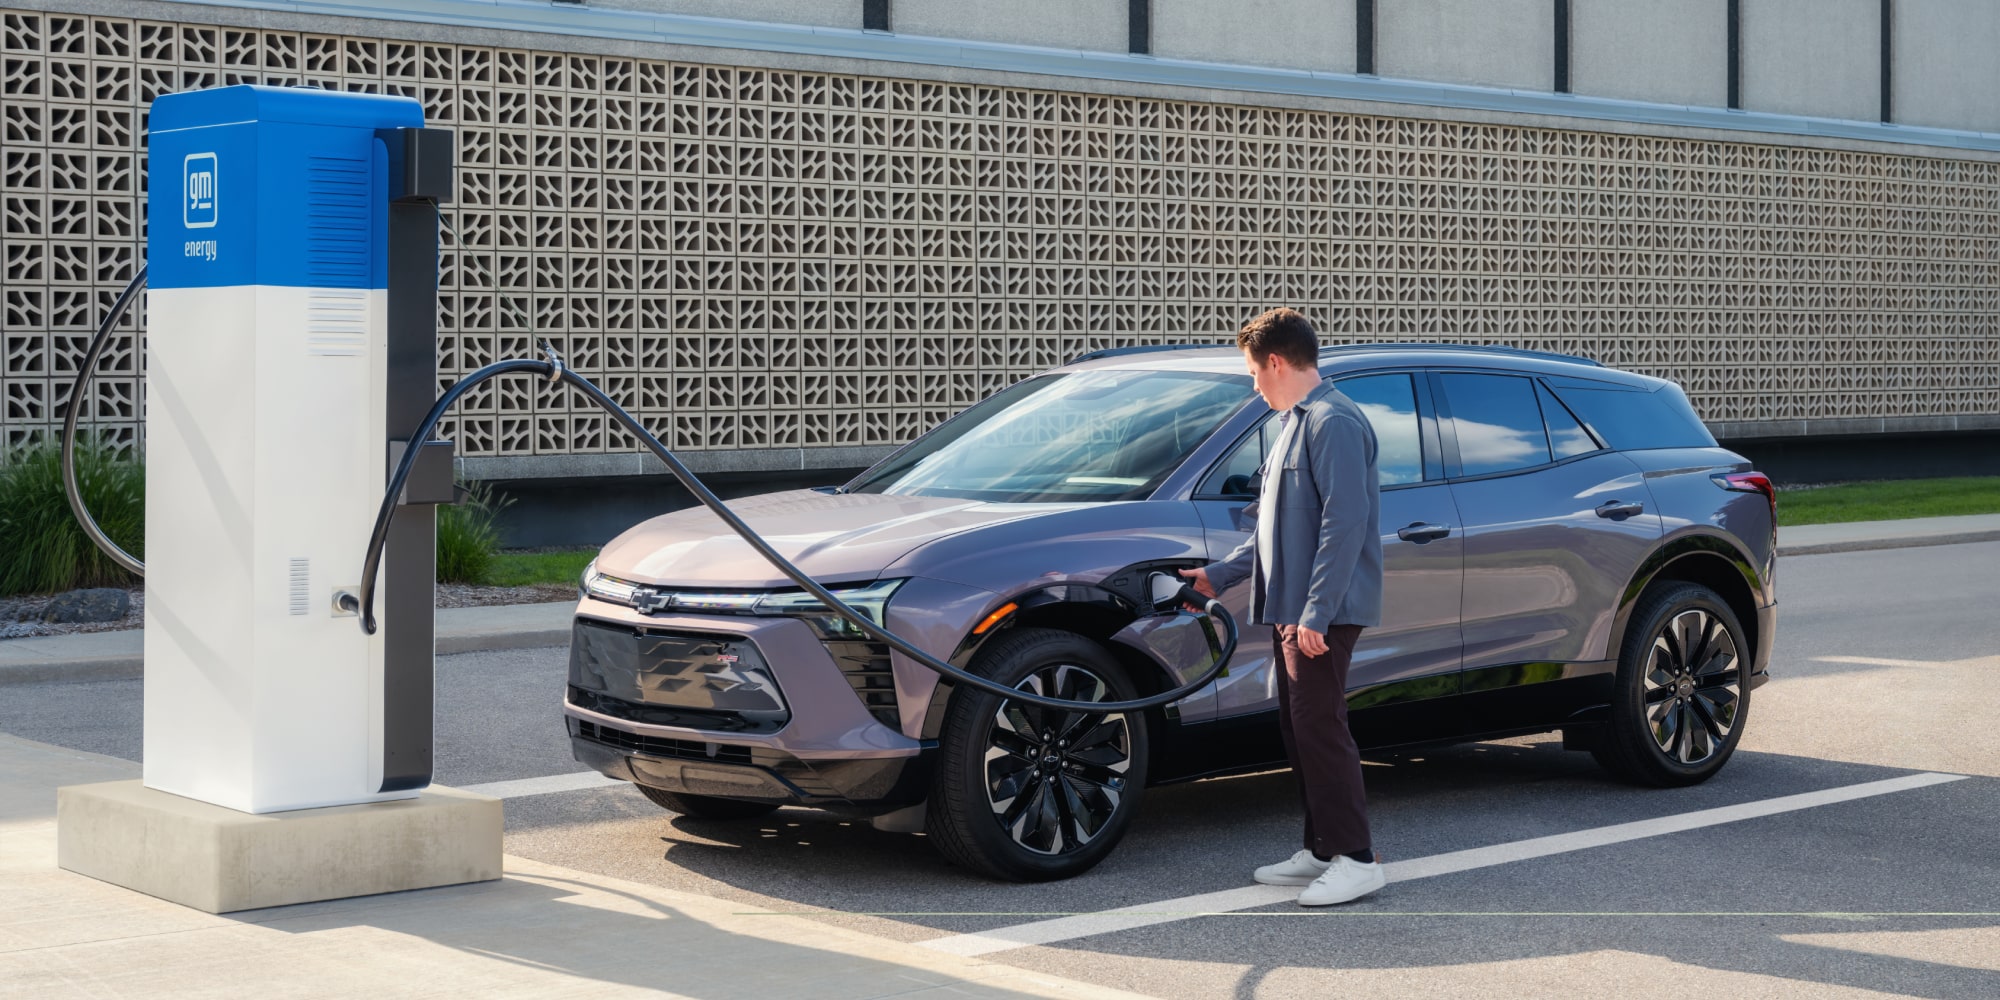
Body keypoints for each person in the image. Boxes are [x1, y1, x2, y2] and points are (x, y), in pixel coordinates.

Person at [1180, 307, 1385, 907]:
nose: (1254, 386)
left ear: (1275, 361)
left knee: (1321, 726)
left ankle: (1357, 859)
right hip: (1292, 606)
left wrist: (1318, 612)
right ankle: (1322, 847)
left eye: (1253, 372)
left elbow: (1344, 525)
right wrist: (1220, 575)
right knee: (1300, 727)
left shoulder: (1334, 422)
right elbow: (1272, 527)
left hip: (1320, 611)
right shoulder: (1294, 423)